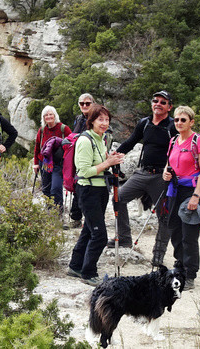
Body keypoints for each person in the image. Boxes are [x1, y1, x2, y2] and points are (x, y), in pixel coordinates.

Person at [111, 91, 178, 267]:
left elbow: (179, 149)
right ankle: (125, 238)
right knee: (119, 197)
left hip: (161, 177)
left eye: (163, 102)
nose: (158, 104)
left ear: (169, 107)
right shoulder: (145, 123)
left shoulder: (172, 126)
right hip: (142, 173)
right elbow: (131, 141)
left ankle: (158, 254)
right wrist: (115, 155)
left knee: (165, 215)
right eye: (155, 100)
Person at [67, 104, 125, 286]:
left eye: (107, 119)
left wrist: (110, 158)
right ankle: (89, 272)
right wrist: (108, 163)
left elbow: (100, 162)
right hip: (88, 190)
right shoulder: (85, 141)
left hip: (100, 190)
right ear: (91, 121)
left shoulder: (101, 139)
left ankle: (75, 266)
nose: (104, 123)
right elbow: (84, 171)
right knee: (99, 235)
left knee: (88, 230)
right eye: (100, 119)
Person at [161, 106, 200, 291]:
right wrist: (165, 173)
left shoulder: (199, 141)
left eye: (183, 119)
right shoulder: (173, 140)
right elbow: (169, 164)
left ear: (191, 121)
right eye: (176, 120)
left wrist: (196, 197)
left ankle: (190, 274)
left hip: (192, 191)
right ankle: (180, 265)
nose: (179, 123)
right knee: (175, 230)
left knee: (189, 234)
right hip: (175, 190)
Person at [33, 105, 72, 212]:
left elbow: (71, 145)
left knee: (56, 188)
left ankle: (59, 213)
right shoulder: (42, 130)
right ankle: (49, 212)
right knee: (46, 190)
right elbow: (37, 147)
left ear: (55, 116)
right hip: (44, 163)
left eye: (51, 114)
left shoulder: (64, 129)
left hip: (58, 164)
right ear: (43, 117)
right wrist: (36, 163)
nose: (49, 117)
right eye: (46, 115)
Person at [68, 93, 96, 228]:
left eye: (87, 103)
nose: (84, 106)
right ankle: (76, 217)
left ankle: (87, 218)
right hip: (79, 157)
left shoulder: (98, 117)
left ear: (93, 104)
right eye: (82, 104)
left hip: (94, 158)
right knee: (77, 187)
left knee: (89, 189)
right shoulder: (79, 119)